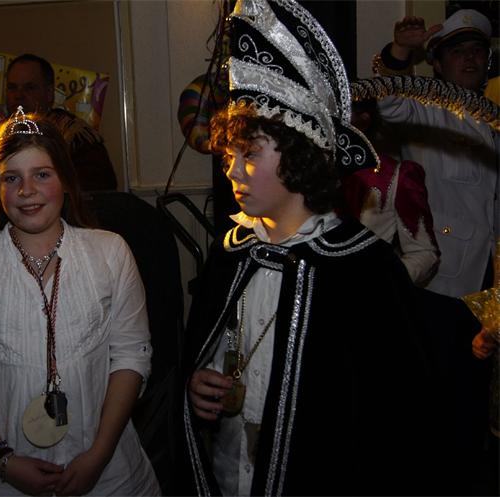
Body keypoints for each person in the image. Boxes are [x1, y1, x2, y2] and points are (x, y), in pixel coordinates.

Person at [178, 1, 446, 495]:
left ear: (300, 156)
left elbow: (398, 414)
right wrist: (199, 380)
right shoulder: (232, 252)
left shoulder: (363, 268)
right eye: (230, 155)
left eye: (249, 154)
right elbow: (208, 347)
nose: (232, 171)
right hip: (231, 473)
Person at [0, 108, 159, 495]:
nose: (26, 190)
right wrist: (3, 460)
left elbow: (131, 355)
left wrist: (99, 454)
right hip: (1, 482)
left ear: (65, 180)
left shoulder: (110, 253)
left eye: (42, 174)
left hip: (110, 476)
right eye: (11, 178)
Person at [373, 8, 499, 299]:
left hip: (488, 271)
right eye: (458, 52)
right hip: (441, 273)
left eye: (477, 51)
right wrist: (400, 50)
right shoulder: (426, 109)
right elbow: (391, 104)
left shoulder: (492, 118)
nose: (469, 58)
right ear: (439, 65)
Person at [0, 53, 117, 220]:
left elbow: (97, 199)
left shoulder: (74, 136)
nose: (18, 95)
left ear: (49, 93)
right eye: (12, 88)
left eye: (29, 88)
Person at [339, 98, 440, 286]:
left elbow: (424, 253)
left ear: (363, 119)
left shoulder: (394, 175)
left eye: (340, 113)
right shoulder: (310, 168)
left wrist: (383, 285)